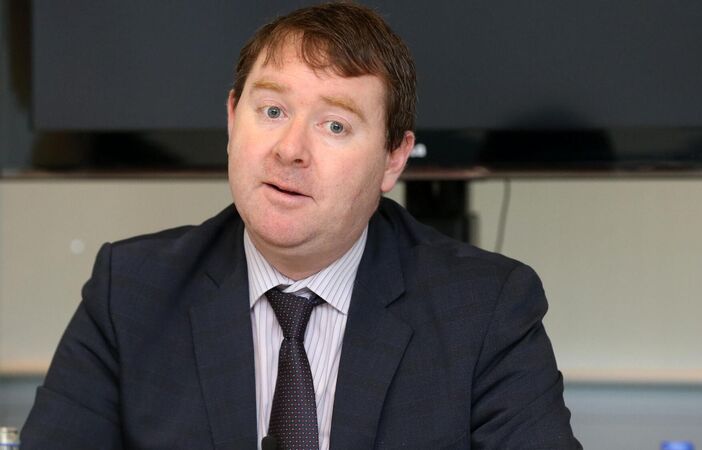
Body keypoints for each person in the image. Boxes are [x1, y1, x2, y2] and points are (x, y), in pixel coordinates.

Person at [22, 2, 581, 449]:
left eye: (335, 125)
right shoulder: (130, 292)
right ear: (231, 119)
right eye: (272, 111)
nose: (290, 149)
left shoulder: (484, 309)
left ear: (393, 159)